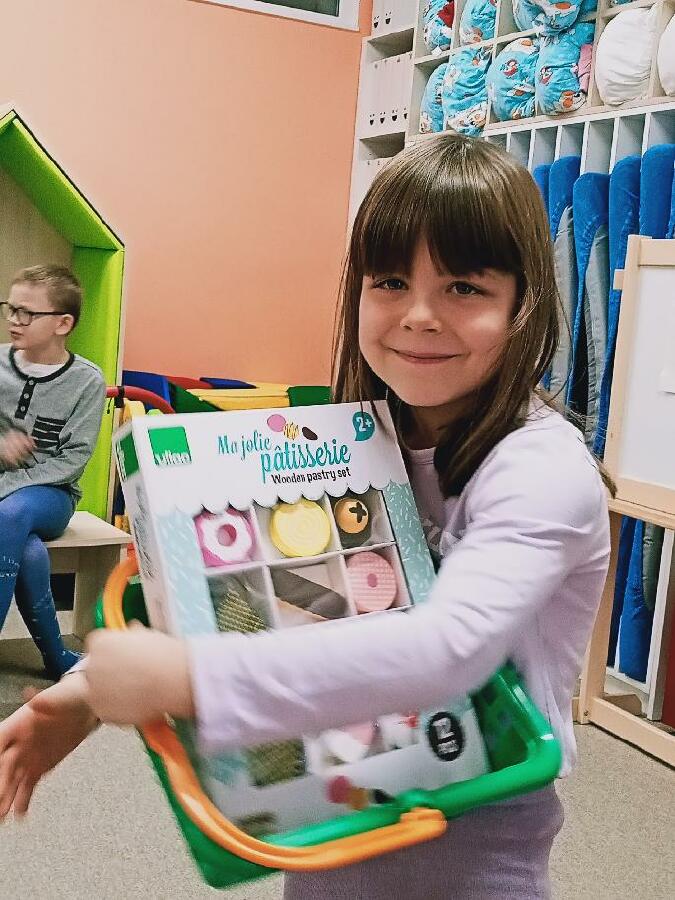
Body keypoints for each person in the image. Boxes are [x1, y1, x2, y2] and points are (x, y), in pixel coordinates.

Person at [0, 135, 611, 899]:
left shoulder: (541, 470)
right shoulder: (355, 442)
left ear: (522, 304)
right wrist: (88, 689)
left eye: (463, 287)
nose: (419, 316)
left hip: (470, 848)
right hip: (329, 817)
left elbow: (446, 649)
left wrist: (190, 679)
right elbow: (239, 593)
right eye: (390, 281)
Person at [0, 265, 106, 679]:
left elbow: (73, 459)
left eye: (27, 313)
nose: (14, 320)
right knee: (27, 550)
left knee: (11, 512)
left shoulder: (86, 381)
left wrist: (10, 484)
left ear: (63, 324)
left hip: (51, 495)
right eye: (10, 308)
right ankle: (57, 657)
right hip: (7, 504)